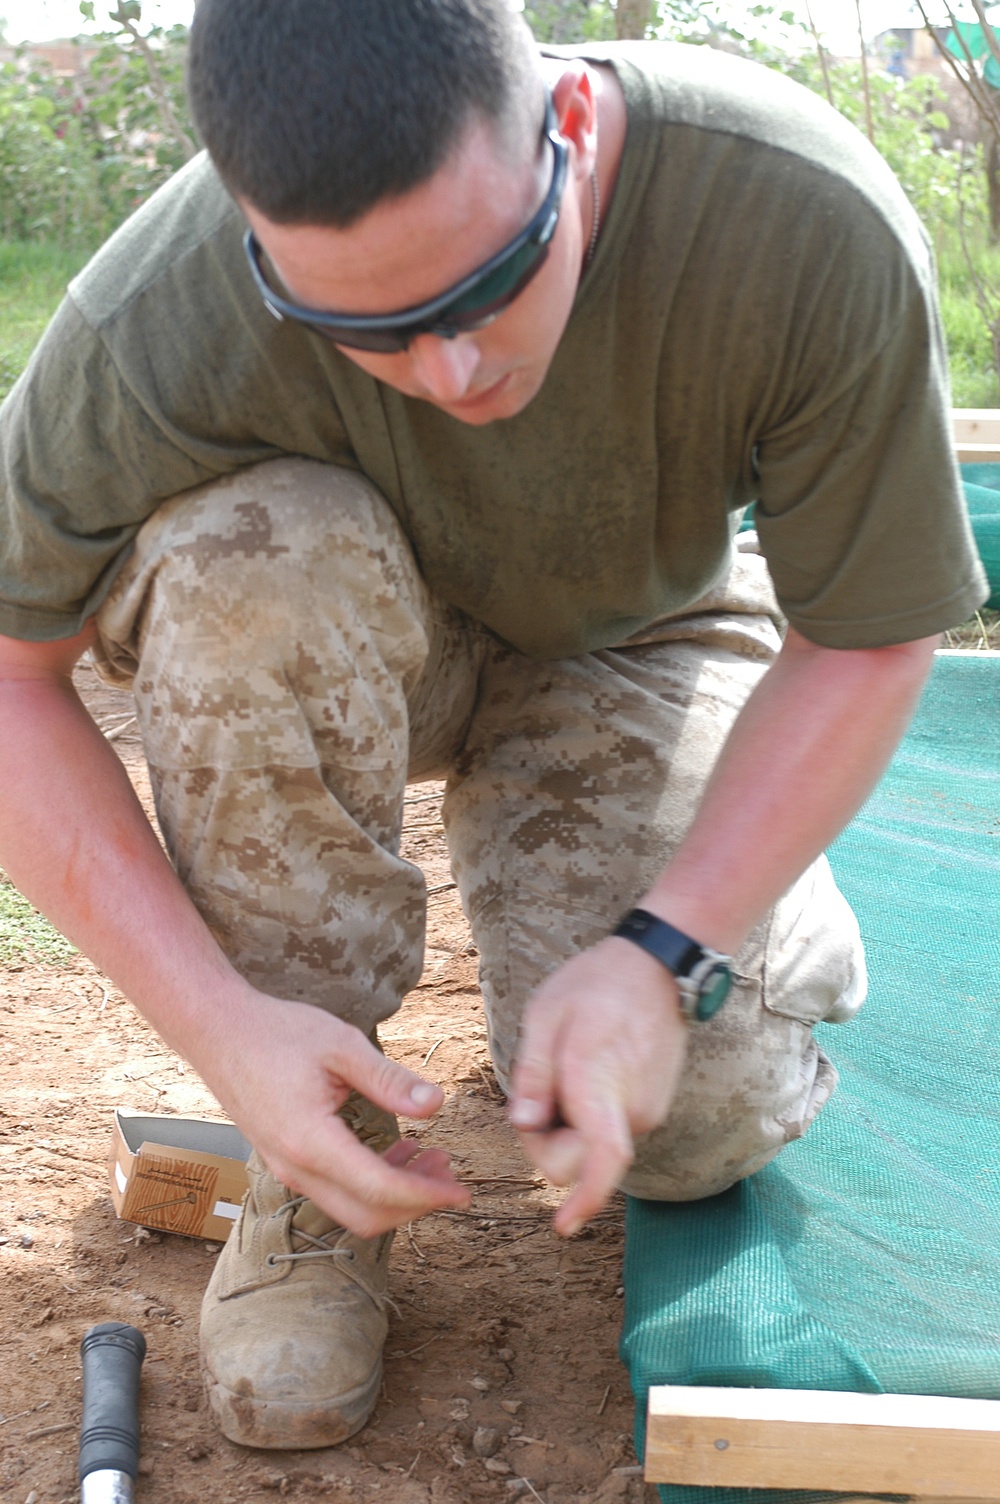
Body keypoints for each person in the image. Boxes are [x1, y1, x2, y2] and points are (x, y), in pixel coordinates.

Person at [0, 0, 986, 1454]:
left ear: (570, 137)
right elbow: (12, 674)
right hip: (348, 630)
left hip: (636, 629)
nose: (449, 374)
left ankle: (733, 904)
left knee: (686, 1131)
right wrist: (224, 1036)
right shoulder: (160, 309)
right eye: (366, 331)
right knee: (246, 561)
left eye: (485, 287)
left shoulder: (798, 212)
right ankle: (311, 1170)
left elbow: (872, 635)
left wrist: (670, 942)